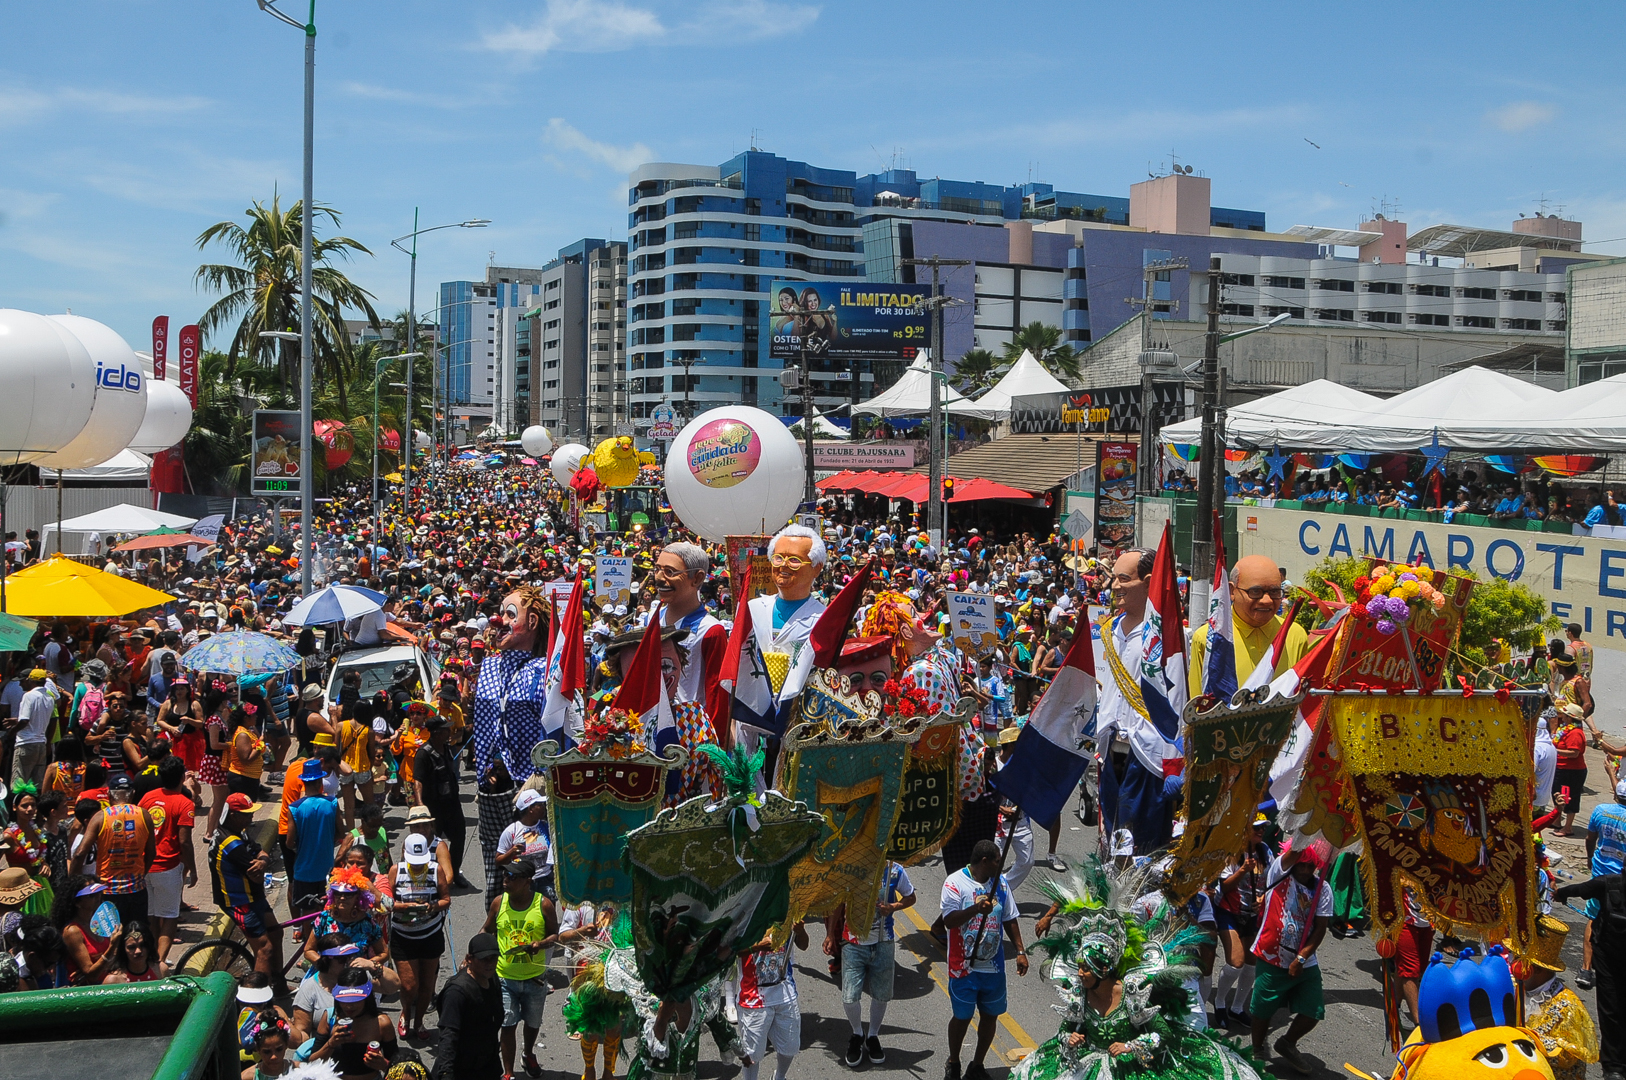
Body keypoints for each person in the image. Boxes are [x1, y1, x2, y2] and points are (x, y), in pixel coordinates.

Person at [1013, 855, 1269, 1080]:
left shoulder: (1131, 995)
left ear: (1104, 970)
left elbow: (1162, 1035)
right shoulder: (1079, 994)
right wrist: (1069, 1040)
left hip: (1129, 1067)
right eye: (1079, 968)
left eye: (1086, 969)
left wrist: (1131, 1046)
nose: (1079, 975)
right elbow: (1065, 1032)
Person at [941, 838, 1029, 1080]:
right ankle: (954, 1061)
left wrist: (1020, 951)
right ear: (984, 861)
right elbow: (948, 921)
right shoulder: (955, 884)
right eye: (997, 861)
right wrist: (975, 910)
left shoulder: (1000, 884)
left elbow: (1010, 917)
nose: (1000, 866)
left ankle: (977, 1065)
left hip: (993, 967)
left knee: (990, 1015)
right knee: (963, 1016)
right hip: (964, 967)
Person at [1248, 845, 1331, 1074]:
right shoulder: (1280, 872)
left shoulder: (1323, 888)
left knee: (1313, 1010)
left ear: (1318, 865)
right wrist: (1315, 823)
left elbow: (1321, 928)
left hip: (1304, 959)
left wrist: (1302, 958)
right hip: (1272, 954)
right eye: (1301, 864)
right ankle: (1257, 1049)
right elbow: (1296, 849)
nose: (1304, 869)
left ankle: (1287, 1042)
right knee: (1262, 1009)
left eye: (1310, 865)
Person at [1186, 554, 1309, 696]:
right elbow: (1196, 705)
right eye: (1255, 592)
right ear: (1232, 591)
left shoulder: (1294, 635)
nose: (1267, 600)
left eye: (1274, 592)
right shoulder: (1210, 639)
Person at [831, 858, 914, 1067]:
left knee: (882, 994)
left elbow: (910, 897)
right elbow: (837, 903)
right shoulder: (849, 868)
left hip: (883, 942)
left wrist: (893, 906)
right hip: (853, 942)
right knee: (850, 997)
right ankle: (857, 1034)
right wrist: (830, 935)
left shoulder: (895, 871)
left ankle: (873, 1036)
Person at [482, 857, 558, 1080]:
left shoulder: (543, 904)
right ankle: (508, 1072)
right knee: (508, 1024)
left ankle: (528, 1053)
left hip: (535, 978)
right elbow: (487, 929)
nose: (506, 880)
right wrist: (475, 951)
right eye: (505, 875)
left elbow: (555, 935)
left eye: (512, 877)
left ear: (527, 881)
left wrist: (540, 944)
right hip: (505, 978)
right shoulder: (499, 903)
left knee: (533, 1023)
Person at [1553, 870, 1626, 1080]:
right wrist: (1561, 894)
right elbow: (1580, 889)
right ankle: (1614, 1067)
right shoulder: (1608, 884)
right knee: (1611, 1011)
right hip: (1608, 960)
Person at [211, 792, 284, 987]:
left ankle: (278, 984)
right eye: (247, 814)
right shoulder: (231, 843)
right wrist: (262, 863)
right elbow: (256, 874)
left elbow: (261, 851)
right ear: (234, 815)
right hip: (239, 902)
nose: (251, 818)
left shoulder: (239, 832)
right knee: (264, 948)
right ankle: (258, 998)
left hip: (254, 896)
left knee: (276, 933)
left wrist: (262, 861)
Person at [1513, 914, 1599, 1080]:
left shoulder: (1567, 1006)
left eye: (1520, 960)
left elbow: (1568, 1056)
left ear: (1537, 970)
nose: (1514, 965)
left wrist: (1528, 1040)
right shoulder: (1516, 989)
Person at [655, 541, 730, 727]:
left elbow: (716, 694)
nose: (659, 578)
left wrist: (714, 748)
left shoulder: (710, 630)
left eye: (669, 572)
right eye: (657, 569)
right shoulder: (653, 618)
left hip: (691, 732)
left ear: (696, 579)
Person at [69, 773, 156, 926]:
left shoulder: (100, 817)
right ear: (133, 793)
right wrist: (140, 875)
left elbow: (80, 853)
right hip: (136, 889)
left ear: (109, 794)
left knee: (109, 937)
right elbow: (151, 852)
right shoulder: (144, 815)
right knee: (136, 935)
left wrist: (72, 885)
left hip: (108, 891)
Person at [138, 755, 197, 973]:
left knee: (152, 914)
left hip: (145, 866)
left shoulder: (147, 798)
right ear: (182, 777)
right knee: (170, 915)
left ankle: (152, 958)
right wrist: (193, 869)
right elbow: (185, 842)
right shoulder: (184, 803)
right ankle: (160, 962)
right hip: (168, 867)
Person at [389, 832, 451, 1042]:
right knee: (409, 985)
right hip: (403, 936)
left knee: (426, 986)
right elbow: (386, 903)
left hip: (430, 934)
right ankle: (406, 1012)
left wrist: (431, 907)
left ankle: (419, 1021)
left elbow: (446, 900)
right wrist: (404, 907)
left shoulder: (436, 870)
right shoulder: (396, 871)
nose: (416, 866)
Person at [734, 921, 809, 1080]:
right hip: (753, 999)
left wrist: (800, 931)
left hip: (785, 994)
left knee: (790, 1048)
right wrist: (756, 947)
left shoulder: (788, 912)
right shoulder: (746, 912)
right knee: (751, 1055)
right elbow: (727, 951)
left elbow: (804, 945)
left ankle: (779, 1077)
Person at [433, 932, 505, 1080]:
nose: (490, 964)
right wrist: (446, 1074)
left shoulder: (492, 979)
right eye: (484, 959)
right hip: (461, 1070)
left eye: (494, 958)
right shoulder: (457, 993)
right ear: (469, 959)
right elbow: (448, 1036)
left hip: (487, 1066)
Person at [310, 967, 398, 1079]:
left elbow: (399, 1066)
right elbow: (312, 1062)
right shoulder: (329, 1018)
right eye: (344, 1000)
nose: (349, 1006)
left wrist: (384, 1065)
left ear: (367, 997)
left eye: (355, 1000)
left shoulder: (381, 1023)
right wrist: (331, 1044)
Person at [413, 716, 469, 887]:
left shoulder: (446, 748)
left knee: (459, 837)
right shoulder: (423, 753)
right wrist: (421, 804)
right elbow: (417, 781)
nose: (449, 732)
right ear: (437, 733)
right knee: (432, 842)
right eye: (445, 730)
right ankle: (434, 876)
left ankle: (454, 871)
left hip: (451, 803)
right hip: (434, 806)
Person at [287, 757, 341, 922]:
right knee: (329, 913)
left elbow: (289, 842)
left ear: (304, 782)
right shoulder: (332, 803)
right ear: (320, 782)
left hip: (304, 872)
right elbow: (341, 833)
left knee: (308, 915)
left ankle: (308, 946)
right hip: (327, 870)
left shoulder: (295, 808)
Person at [53, 874, 120, 985]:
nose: (98, 897)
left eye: (98, 893)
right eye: (91, 896)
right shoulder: (73, 931)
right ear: (77, 903)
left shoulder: (102, 920)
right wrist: (112, 947)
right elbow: (91, 974)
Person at [1, 781, 55, 916]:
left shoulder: (36, 830)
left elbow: (39, 857)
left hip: (40, 887)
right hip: (20, 890)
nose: (30, 809)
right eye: (24, 806)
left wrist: (45, 864)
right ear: (14, 807)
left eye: (33, 805)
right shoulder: (9, 835)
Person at [9, 668, 55, 790]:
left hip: (26, 744)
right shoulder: (49, 698)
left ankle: (19, 806)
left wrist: (12, 732)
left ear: (31, 681)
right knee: (36, 783)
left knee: (19, 783)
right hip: (40, 745)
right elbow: (38, 718)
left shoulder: (29, 696)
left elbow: (25, 720)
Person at [1552, 703, 1590, 837]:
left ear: (1569, 717)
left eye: (1564, 714)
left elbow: (1574, 753)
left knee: (1570, 797)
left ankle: (1568, 827)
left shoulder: (1575, 733)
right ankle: (1556, 821)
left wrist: (1554, 750)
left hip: (1573, 771)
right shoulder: (1564, 729)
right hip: (1561, 768)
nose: (1561, 716)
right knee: (1557, 794)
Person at [103, 919, 162, 983]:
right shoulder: (113, 980)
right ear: (123, 949)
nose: (138, 951)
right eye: (131, 947)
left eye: (143, 945)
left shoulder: (160, 970)